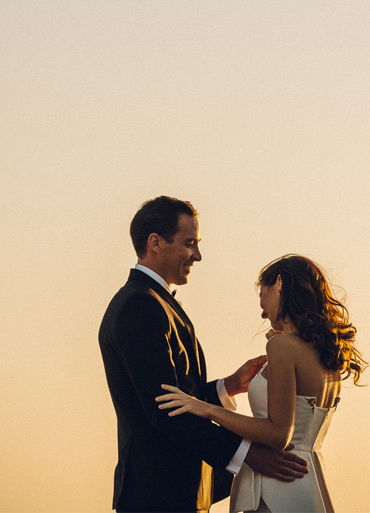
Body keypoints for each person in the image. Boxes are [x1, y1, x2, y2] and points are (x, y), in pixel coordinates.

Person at [99, 196, 311, 513]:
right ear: (155, 243)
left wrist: (228, 386)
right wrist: (249, 454)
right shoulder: (138, 306)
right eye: (190, 243)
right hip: (156, 496)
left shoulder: (159, 303)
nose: (197, 255)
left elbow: (180, 396)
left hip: (176, 494)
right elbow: (165, 410)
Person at [156, 254, 366, 513]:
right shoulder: (326, 352)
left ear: (279, 283)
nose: (263, 311)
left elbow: (277, 434)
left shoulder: (281, 346)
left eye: (262, 297)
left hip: (277, 485)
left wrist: (206, 408)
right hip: (309, 482)